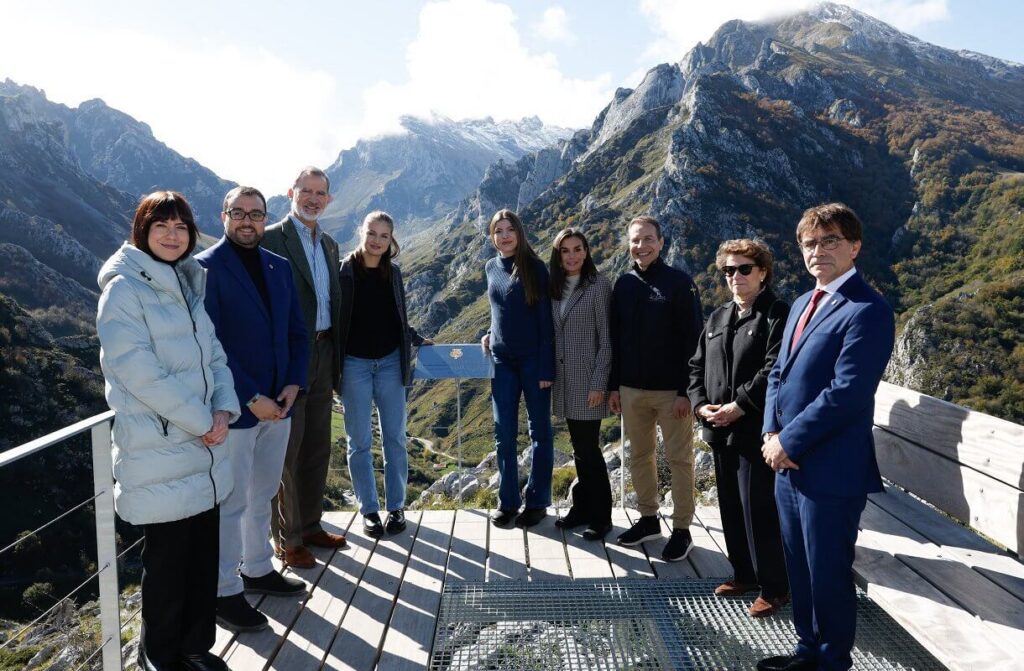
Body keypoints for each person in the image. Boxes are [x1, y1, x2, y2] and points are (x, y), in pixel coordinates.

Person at [96, 191, 238, 671]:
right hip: (162, 449)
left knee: (201, 559)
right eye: (162, 226)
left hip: (204, 448)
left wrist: (223, 409)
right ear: (143, 231)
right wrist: (205, 421)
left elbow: (214, 356)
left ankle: (196, 648)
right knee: (168, 566)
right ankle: (159, 656)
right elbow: (139, 374)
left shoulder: (184, 283)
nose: (173, 235)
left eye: (181, 227)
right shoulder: (123, 291)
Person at [757, 204, 895, 671]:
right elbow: (778, 373)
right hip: (787, 464)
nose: (819, 252)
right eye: (810, 244)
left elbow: (848, 392)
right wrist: (770, 432)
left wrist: (787, 443)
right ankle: (806, 652)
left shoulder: (867, 310)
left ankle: (833, 661)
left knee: (829, 574)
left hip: (830, 470)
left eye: (830, 241)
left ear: (854, 246)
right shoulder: (801, 303)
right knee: (799, 566)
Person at [196, 186, 309, 633]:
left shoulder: (278, 267)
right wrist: (250, 397)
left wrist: (294, 384)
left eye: (256, 214)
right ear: (223, 216)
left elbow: (298, 333)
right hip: (237, 410)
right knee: (231, 501)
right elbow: (211, 344)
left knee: (262, 493)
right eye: (239, 213)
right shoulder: (205, 269)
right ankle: (224, 593)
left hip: (281, 405)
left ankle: (258, 568)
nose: (248, 221)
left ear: (266, 219)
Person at [688, 239, 790, 618]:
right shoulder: (717, 318)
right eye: (729, 270)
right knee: (731, 505)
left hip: (754, 431)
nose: (735, 276)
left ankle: (776, 587)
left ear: (762, 271)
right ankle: (744, 574)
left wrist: (739, 406)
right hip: (719, 430)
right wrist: (701, 406)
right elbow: (695, 368)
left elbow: (774, 368)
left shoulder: (777, 314)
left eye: (744, 268)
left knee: (758, 509)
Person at [263, 166, 347, 569]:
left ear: (329, 199)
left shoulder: (329, 244)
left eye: (320, 193)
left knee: (317, 445)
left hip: (325, 351)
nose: (313, 198)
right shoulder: (270, 240)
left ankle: (311, 525)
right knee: (287, 451)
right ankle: (288, 539)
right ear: (291, 192)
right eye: (306, 191)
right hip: (289, 358)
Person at [608, 215, 703, 561]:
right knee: (638, 457)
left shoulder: (679, 283)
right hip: (631, 389)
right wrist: (613, 387)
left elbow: (694, 340)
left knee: (679, 460)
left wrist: (686, 392)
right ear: (629, 244)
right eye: (635, 240)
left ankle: (682, 530)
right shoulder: (623, 284)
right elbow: (615, 340)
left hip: (671, 393)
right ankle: (649, 520)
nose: (641, 246)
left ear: (661, 243)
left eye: (649, 239)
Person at [339, 211, 432, 537]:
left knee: (395, 438)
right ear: (361, 232)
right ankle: (369, 511)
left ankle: (396, 508)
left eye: (383, 235)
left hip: (392, 362)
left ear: (390, 239)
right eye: (371, 233)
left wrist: (416, 338)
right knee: (360, 441)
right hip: (354, 364)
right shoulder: (344, 271)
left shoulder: (393, 273)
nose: (376, 240)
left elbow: (397, 316)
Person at [481, 209, 556, 529]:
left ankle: (537, 502)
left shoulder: (535, 268)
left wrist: (546, 368)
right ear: (492, 236)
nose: (505, 235)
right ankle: (508, 502)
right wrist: (489, 332)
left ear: (520, 233)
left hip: (532, 362)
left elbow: (544, 322)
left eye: (510, 229)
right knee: (504, 435)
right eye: (498, 231)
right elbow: (499, 309)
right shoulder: (489, 267)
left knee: (539, 432)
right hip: (502, 362)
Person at [548, 228, 614, 540]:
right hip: (565, 380)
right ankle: (582, 507)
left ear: (587, 252)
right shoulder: (555, 287)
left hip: (589, 381)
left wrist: (599, 383)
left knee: (589, 449)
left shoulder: (599, 286)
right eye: (565, 250)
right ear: (558, 256)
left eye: (577, 249)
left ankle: (601, 516)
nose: (572, 255)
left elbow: (607, 340)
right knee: (580, 448)